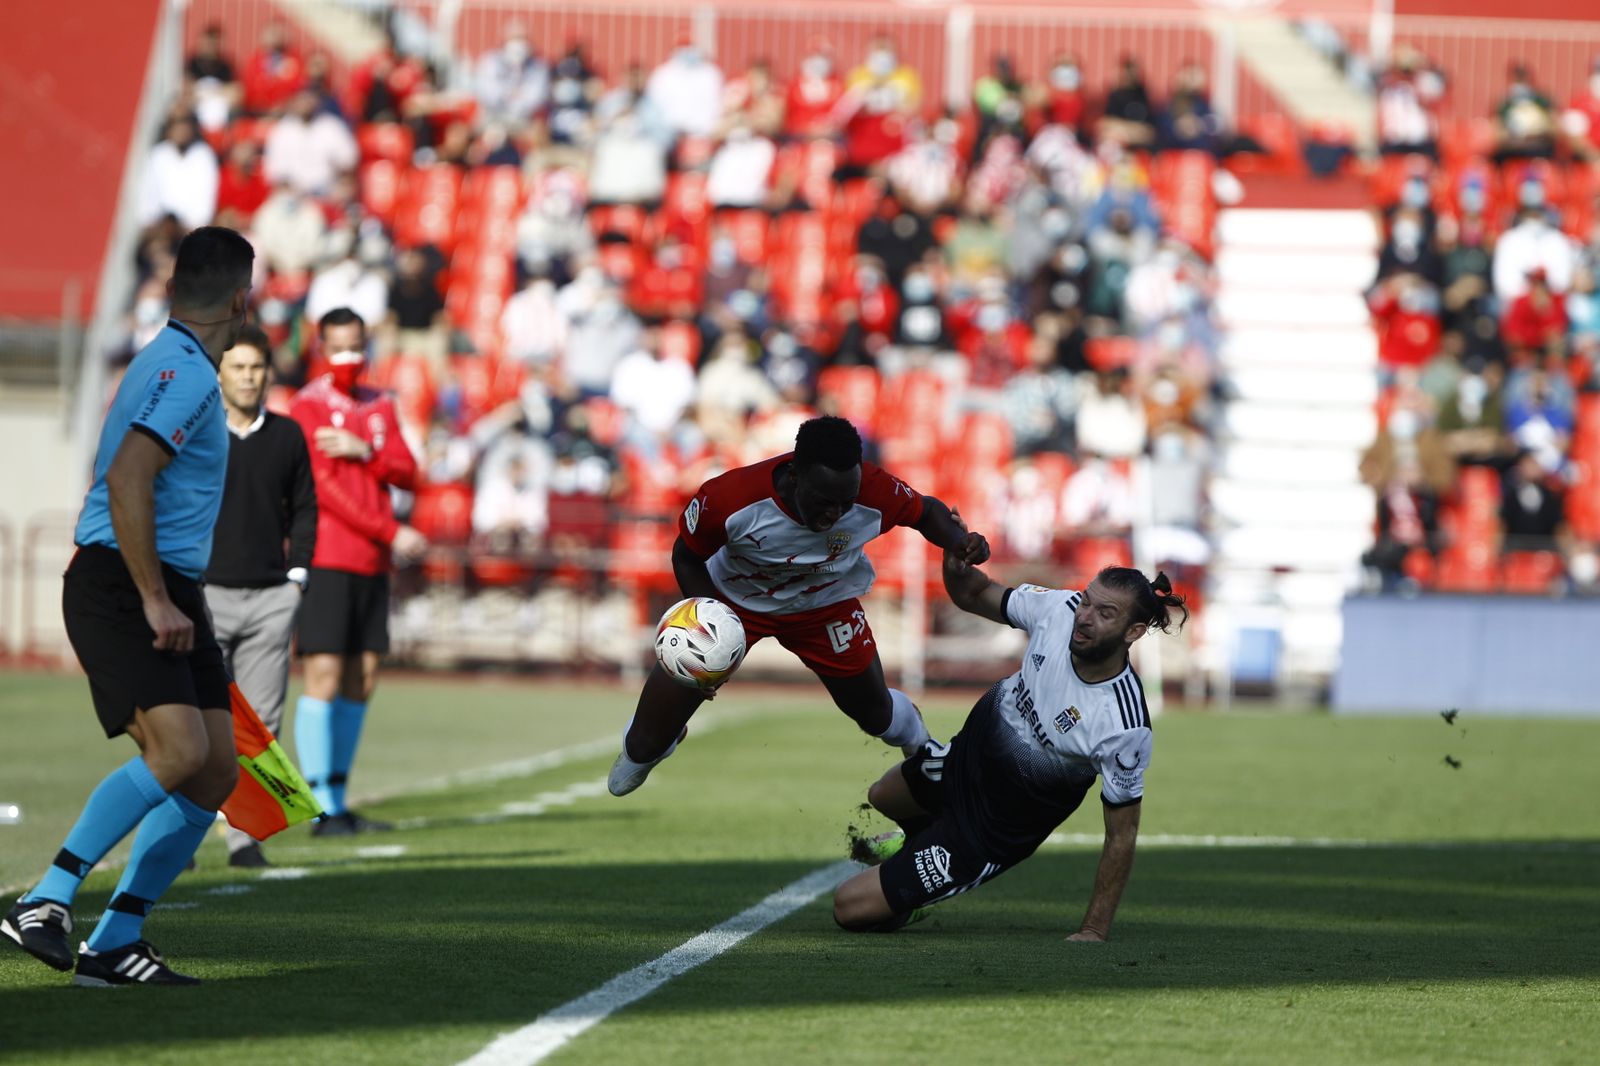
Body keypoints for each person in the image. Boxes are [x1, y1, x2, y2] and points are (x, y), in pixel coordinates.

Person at [2, 226, 255, 985]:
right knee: (178, 753)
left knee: (214, 774)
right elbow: (128, 478)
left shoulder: (163, 358)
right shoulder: (185, 375)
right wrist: (153, 599)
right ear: (241, 300)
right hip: (126, 582)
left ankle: (115, 944)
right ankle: (43, 900)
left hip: (166, 584)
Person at [607, 415, 990, 797]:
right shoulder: (729, 498)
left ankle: (926, 751)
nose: (835, 514)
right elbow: (686, 557)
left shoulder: (874, 490)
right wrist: (713, 625)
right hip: (733, 605)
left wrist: (960, 541)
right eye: (824, 502)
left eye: (846, 502)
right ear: (794, 476)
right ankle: (666, 738)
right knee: (640, 751)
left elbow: (925, 512)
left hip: (823, 604)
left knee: (876, 714)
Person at [832, 552, 1186, 937]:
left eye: (1106, 613)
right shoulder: (1059, 609)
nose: (1084, 616)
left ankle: (911, 898)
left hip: (986, 831)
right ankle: (919, 840)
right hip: (962, 764)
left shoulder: (1123, 724)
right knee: (882, 795)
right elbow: (976, 593)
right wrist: (954, 567)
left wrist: (1093, 930)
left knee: (847, 908)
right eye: (1087, 600)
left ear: (1132, 632)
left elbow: (1122, 834)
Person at [289, 308, 426, 835]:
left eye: (356, 346)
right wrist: (394, 532)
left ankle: (340, 801)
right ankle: (321, 805)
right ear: (320, 347)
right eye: (338, 347)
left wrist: (365, 450)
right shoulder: (308, 406)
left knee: (363, 676)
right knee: (322, 674)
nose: (348, 357)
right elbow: (328, 490)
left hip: (372, 564)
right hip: (329, 555)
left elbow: (409, 472)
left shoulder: (379, 404)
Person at [203, 325, 318, 867]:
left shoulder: (289, 436)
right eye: (238, 367)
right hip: (206, 598)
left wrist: (296, 578)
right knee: (195, 723)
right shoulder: (198, 433)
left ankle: (243, 837)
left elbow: (305, 509)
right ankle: (178, 838)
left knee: (261, 726)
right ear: (220, 373)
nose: (247, 377)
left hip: (271, 598)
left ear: (268, 373)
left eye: (255, 368)